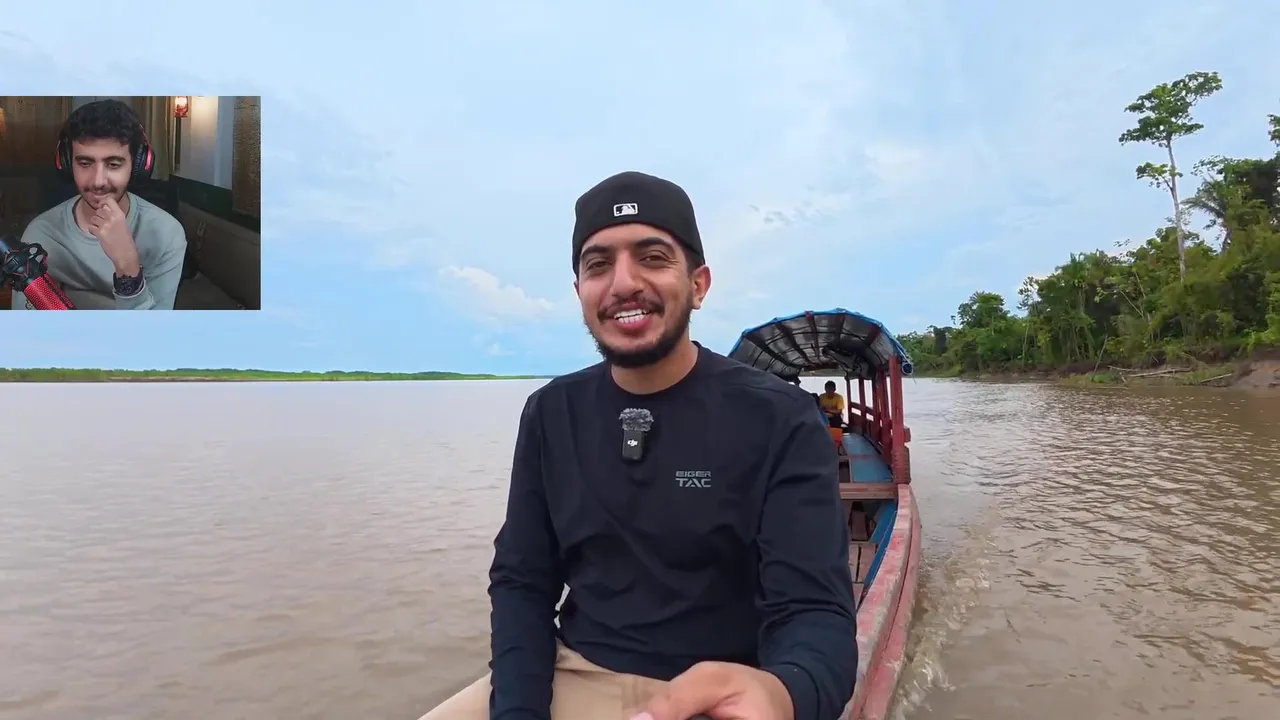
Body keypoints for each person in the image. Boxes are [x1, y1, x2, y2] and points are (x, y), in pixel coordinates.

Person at [424, 171, 857, 720]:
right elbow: (522, 581)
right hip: (574, 671)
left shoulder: (780, 418)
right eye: (598, 265)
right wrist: (519, 711)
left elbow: (814, 610)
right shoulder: (551, 412)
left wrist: (782, 692)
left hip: (718, 687)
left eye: (652, 258)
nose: (623, 283)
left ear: (698, 284)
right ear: (579, 292)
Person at [10, 99, 187, 310]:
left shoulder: (167, 233)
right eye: (85, 163)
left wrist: (127, 265)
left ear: (138, 165)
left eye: (113, 164)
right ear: (67, 164)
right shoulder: (41, 234)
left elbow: (152, 329)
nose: (98, 181)